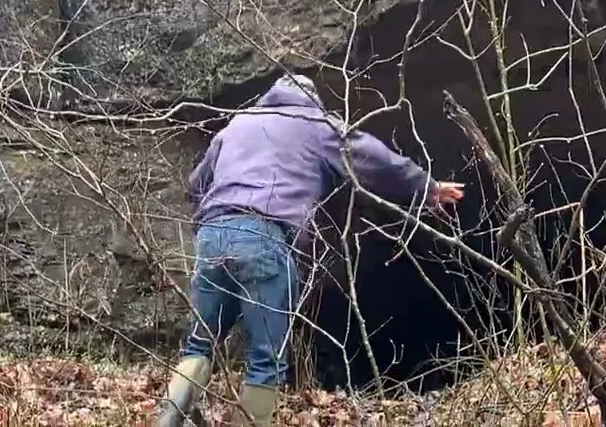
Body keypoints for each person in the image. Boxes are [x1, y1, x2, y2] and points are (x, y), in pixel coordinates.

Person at [156, 72, 464, 427]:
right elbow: (374, 161)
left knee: (199, 345)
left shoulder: (238, 125)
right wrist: (427, 188)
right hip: (266, 237)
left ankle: (167, 420)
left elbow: (197, 184)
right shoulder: (316, 124)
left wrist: (217, 213)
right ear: (312, 99)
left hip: (213, 234)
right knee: (265, 359)